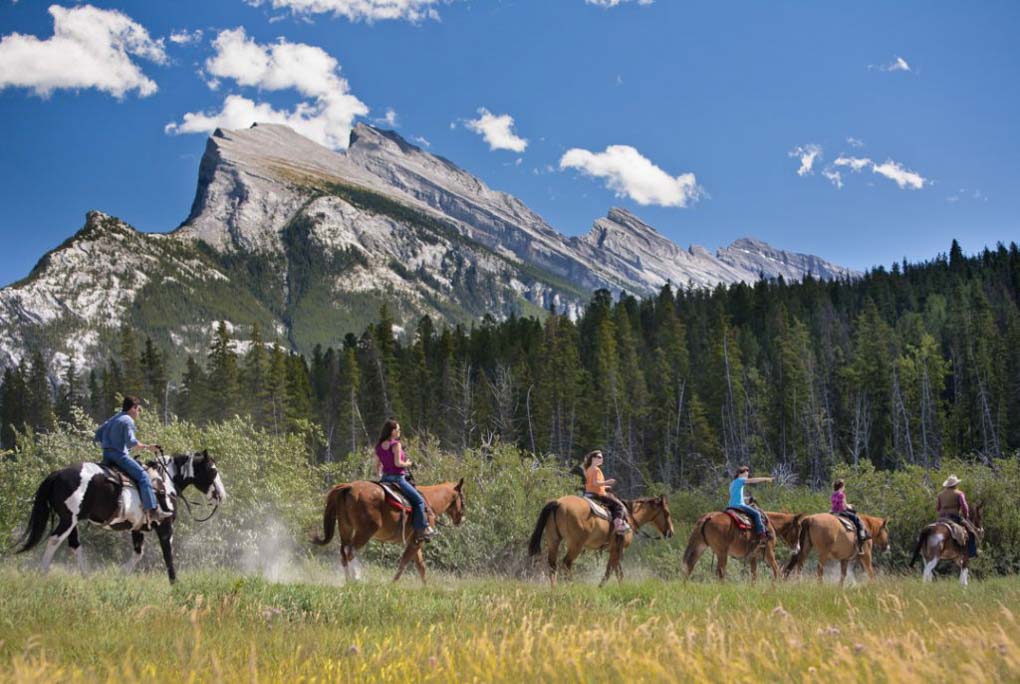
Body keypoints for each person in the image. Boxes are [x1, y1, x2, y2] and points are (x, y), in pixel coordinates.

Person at [93, 396, 161, 525]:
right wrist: (149, 447)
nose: (139, 412)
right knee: (143, 477)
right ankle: (152, 510)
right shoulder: (128, 420)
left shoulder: (113, 418)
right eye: (138, 409)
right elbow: (132, 444)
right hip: (119, 455)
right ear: (133, 408)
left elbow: (98, 434)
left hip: (106, 455)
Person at [375, 419, 436, 543]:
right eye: (397, 430)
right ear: (392, 432)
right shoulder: (395, 444)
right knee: (419, 501)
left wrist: (380, 474)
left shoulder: (379, 446)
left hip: (384, 479)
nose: (399, 432)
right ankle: (421, 529)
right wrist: (407, 463)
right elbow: (398, 463)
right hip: (398, 479)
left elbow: (377, 466)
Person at [582, 450, 630, 535]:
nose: (601, 459)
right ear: (593, 458)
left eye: (602, 457)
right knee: (619, 506)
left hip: (588, 493)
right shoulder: (596, 469)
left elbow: (591, 484)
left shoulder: (588, 469)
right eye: (599, 457)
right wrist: (608, 482)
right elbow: (595, 483)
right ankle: (619, 527)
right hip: (598, 494)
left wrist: (604, 487)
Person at [728, 465, 773, 542]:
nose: (747, 476)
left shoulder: (732, 483)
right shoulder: (740, 480)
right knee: (757, 514)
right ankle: (761, 533)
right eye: (746, 474)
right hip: (739, 505)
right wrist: (766, 479)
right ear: (741, 473)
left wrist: (747, 498)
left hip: (730, 506)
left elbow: (735, 495)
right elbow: (754, 480)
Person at [936, 474, 978, 558]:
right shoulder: (959, 493)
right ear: (956, 484)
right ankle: (971, 553)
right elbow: (964, 506)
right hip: (954, 517)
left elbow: (937, 508)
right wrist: (966, 515)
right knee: (971, 532)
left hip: (942, 518)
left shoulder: (940, 494)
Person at [830, 479, 869, 551]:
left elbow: (834, 504)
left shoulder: (833, 494)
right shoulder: (842, 494)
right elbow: (845, 505)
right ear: (841, 486)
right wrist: (850, 506)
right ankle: (862, 537)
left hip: (833, 512)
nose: (844, 487)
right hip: (841, 511)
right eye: (844, 485)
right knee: (858, 520)